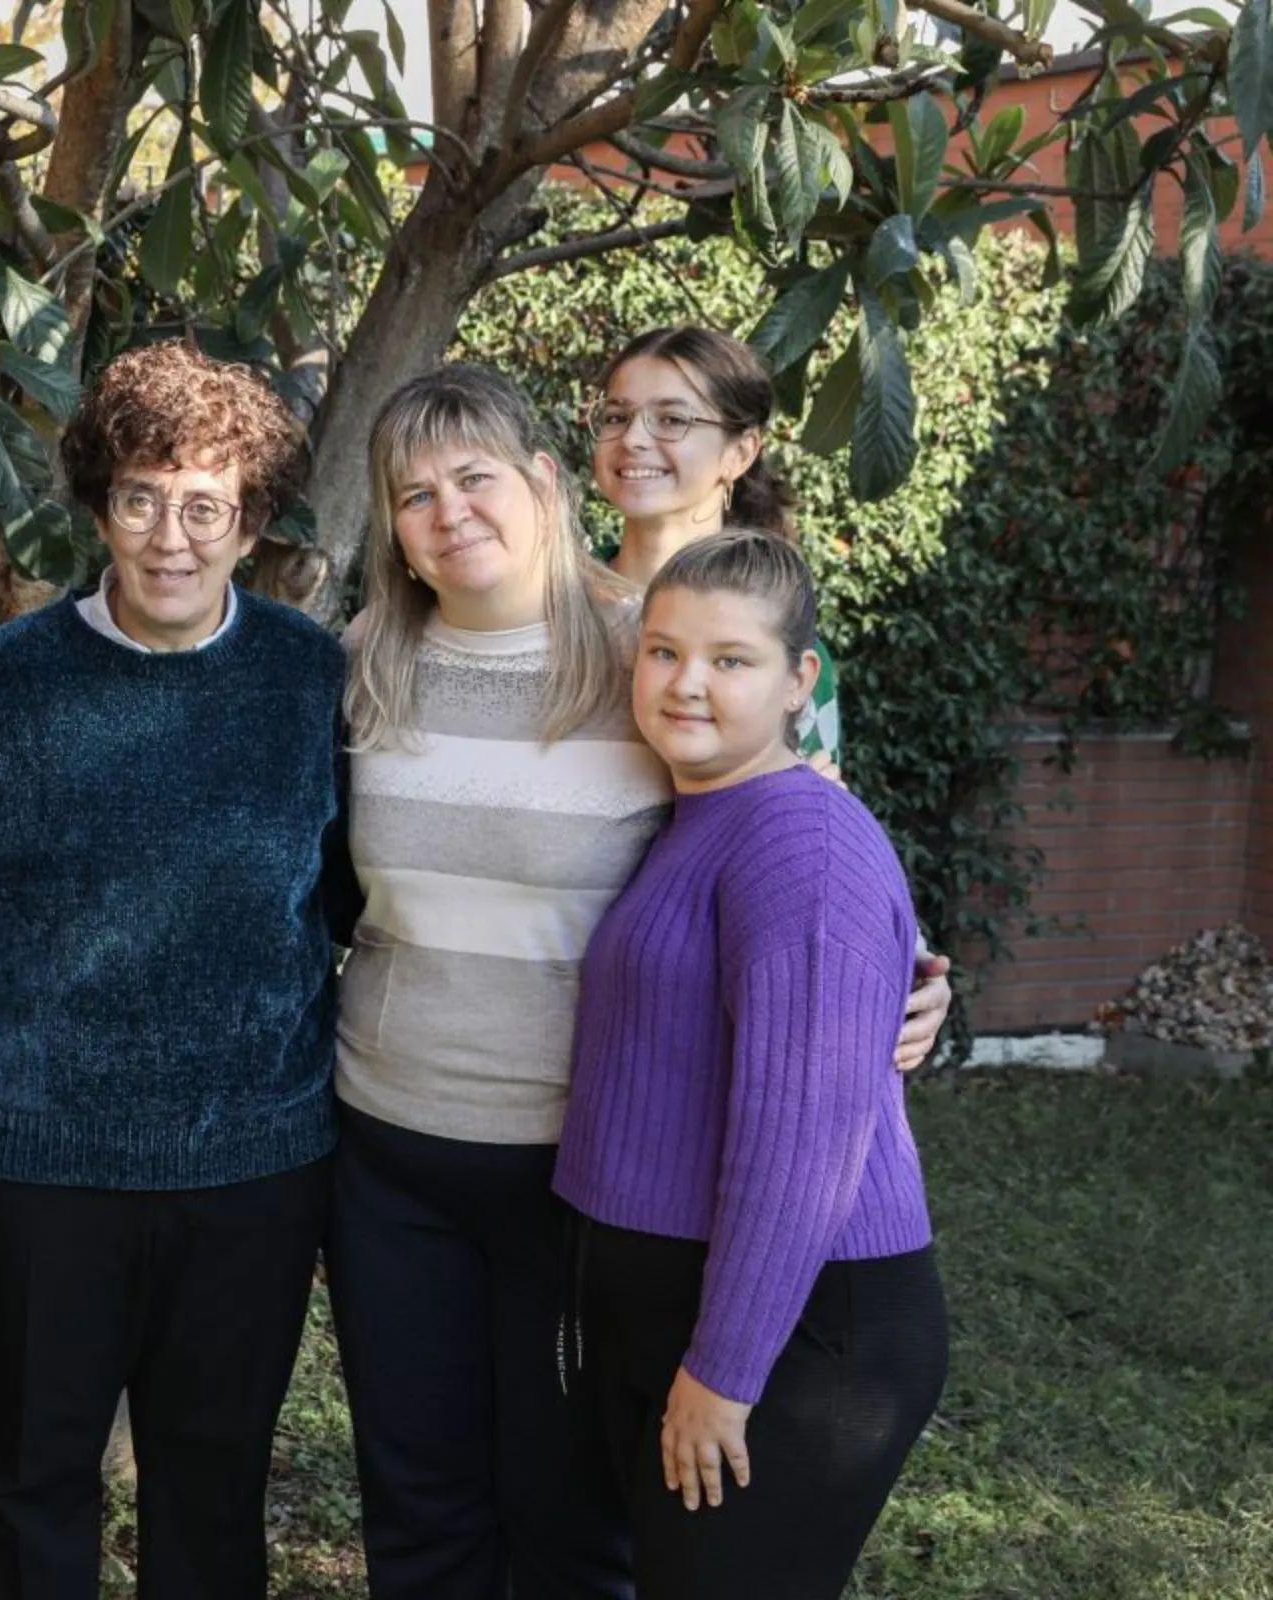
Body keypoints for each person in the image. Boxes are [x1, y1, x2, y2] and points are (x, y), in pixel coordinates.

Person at [324, 364, 950, 1600]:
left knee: (565, 1521)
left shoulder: (647, 655)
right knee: (417, 1498)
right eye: (414, 493)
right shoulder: (360, 666)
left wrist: (920, 978)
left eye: (477, 478)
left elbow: (802, 840)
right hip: (387, 1145)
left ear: (546, 485)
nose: (449, 511)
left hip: (575, 1173)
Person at [0, 341, 350, 1599]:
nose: (171, 535)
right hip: (34, 1156)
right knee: (36, 1479)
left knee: (213, 1489)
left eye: (205, 505)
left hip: (255, 1159)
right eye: (142, 499)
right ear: (101, 506)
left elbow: (353, 882)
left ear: (251, 521)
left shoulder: (305, 677)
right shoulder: (12, 678)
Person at [555, 530, 948, 1598]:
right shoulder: (702, 816)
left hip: (803, 1330)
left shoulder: (801, 844)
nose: (688, 684)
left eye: (731, 660)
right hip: (693, 1305)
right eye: (665, 652)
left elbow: (801, 1144)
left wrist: (725, 1373)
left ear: (797, 681)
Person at [586, 326, 845, 770]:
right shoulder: (554, 605)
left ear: (740, 453)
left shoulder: (777, 640)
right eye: (616, 417)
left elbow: (810, 801)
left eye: (672, 420)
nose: (633, 439)